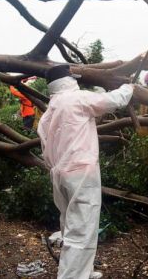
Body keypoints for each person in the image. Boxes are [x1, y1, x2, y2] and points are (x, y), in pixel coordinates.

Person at [37, 64, 134, 279]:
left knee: (70, 225)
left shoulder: (50, 110)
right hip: (81, 173)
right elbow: (114, 101)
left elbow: (46, 151)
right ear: (69, 80)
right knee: (82, 228)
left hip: (59, 174)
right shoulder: (77, 98)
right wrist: (130, 87)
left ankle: (83, 271)